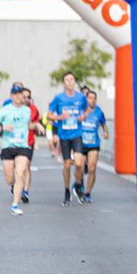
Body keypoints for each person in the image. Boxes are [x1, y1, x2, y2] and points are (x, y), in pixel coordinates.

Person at [46, 71, 89, 206]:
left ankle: (77, 185)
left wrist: (84, 116)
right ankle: (66, 191)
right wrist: (60, 117)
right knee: (66, 165)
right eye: (67, 80)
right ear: (64, 83)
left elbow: (87, 110)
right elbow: (49, 115)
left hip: (77, 134)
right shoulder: (58, 98)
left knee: (78, 163)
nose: (70, 82)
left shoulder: (81, 97)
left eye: (72, 80)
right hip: (64, 135)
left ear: (74, 82)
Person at [0, 84, 34, 216]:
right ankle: (14, 186)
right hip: (8, 146)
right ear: (11, 96)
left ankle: (15, 205)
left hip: (22, 146)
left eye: (20, 93)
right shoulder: (5, 110)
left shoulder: (27, 110)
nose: (18, 96)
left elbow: (28, 124)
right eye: (15, 94)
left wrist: (37, 125)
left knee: (20, 173)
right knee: (9, 178)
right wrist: (3, 128)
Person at [78, 90, 108, 203]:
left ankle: (88, 192)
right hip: (81, 143)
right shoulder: (81, 110)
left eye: (94, 98)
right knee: (79, 167)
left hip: (93, 144)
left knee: (92, 168)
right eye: (90, 97)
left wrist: (106, 132)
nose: (92, 100)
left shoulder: (99, 111)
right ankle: (80, 184)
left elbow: (103, 123)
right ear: (86, 99)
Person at [20, 87, 41, 203]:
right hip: (16, 142)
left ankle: (25, 192)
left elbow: (36, 122)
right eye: (24, 97)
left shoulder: (34, 109)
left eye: (28, 97)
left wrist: (36, 126)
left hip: (29, 141)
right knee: (18, 168)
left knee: (26, 165)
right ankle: (17, 184)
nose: (26, 99)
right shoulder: (13, 109)